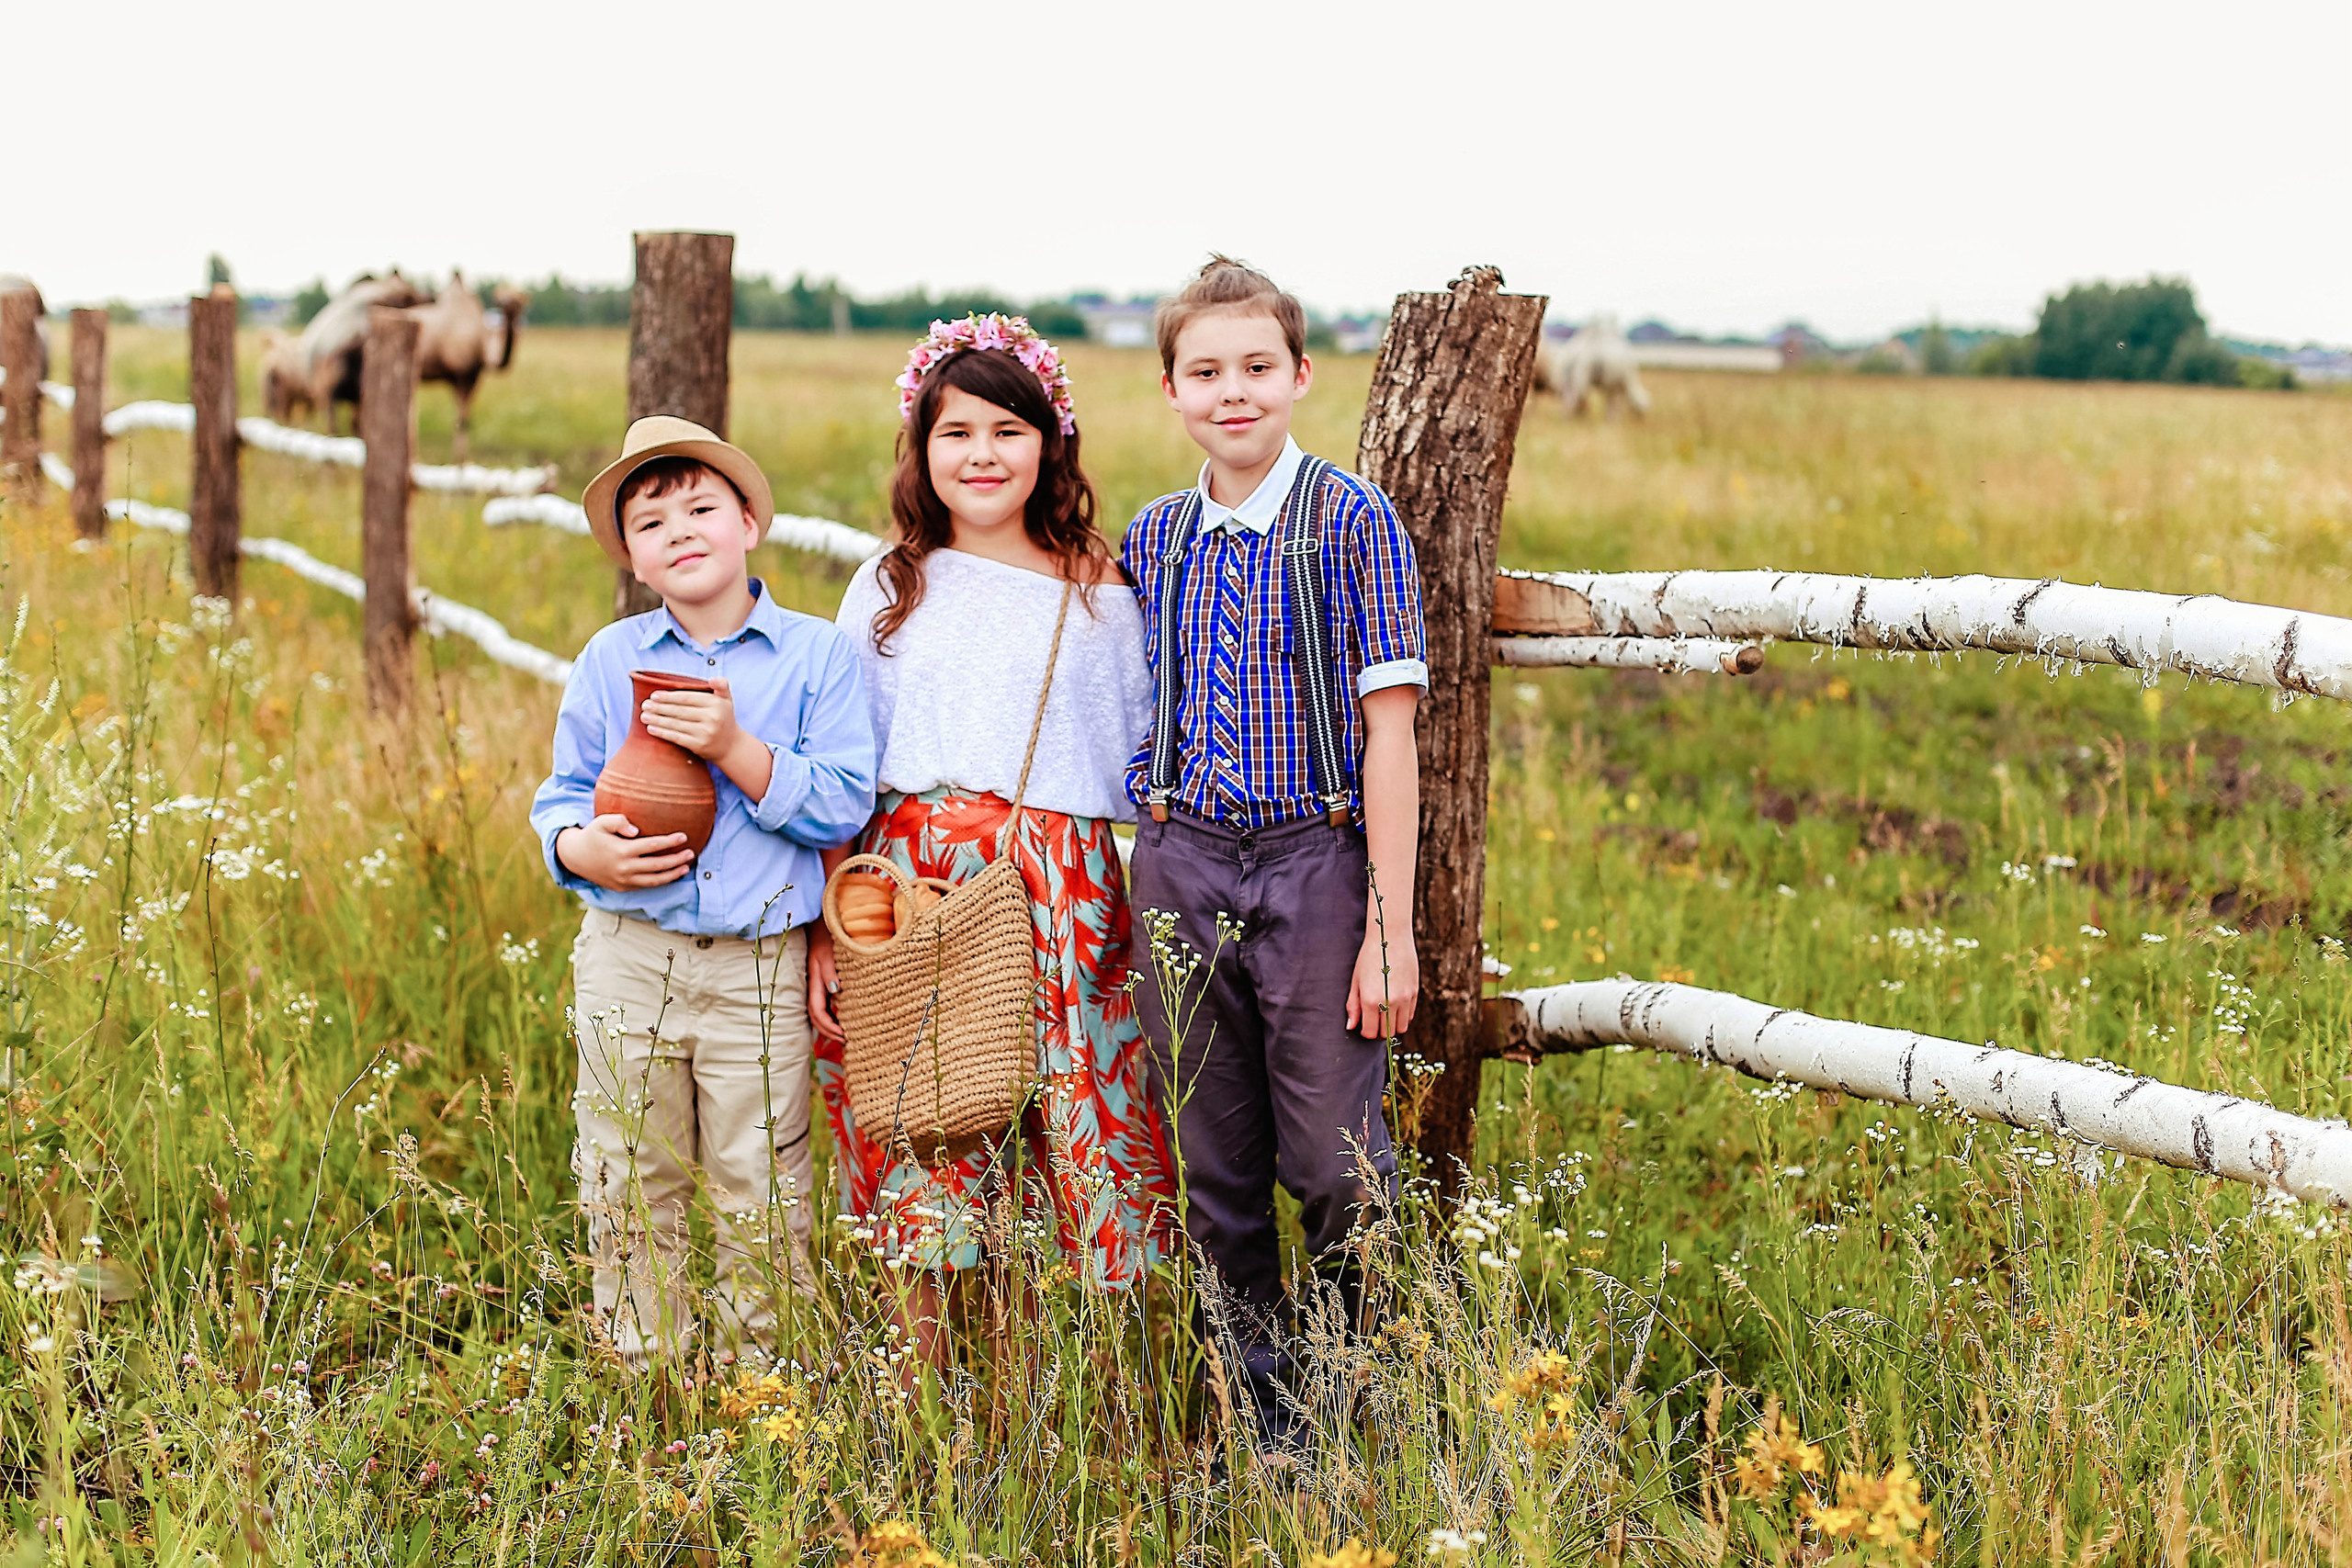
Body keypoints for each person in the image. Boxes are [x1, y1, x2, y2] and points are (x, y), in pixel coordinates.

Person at [810, 314, 1178, 1366]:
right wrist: (831, 928)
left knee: (1069, 1120)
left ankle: (1070, 1393)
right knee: (924, 1113)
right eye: (956, 433)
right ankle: (928, 1396)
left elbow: (1131, 752)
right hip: (909, 879)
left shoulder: (1099, 589)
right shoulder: (890, 585)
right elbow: (842, 767)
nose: (982, 455)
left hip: (1059, 889)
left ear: (1049, 443)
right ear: (921, 448)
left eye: (1007, 431)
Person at [1122, 258, 1428, 1460]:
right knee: (1215, 1163)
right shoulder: (1155, 537)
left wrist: (1388, 926)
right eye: (1205, 371)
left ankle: (1350, 1397)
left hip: (1315, 859)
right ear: (1170, 389)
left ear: (1300, 375)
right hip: (1182, 856)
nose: (1233, 391)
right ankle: (1263, 1427)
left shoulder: (1352, 521)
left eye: (1257, 366)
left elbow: (1390, 732)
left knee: (1336, 1165)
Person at [531, 416, 876, 1364]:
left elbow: (844, 798)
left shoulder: (815, 657)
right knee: (625, 1165)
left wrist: (735, 750)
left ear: (749, 523)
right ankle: (646, 1367)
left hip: (758, 964)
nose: (679, 531)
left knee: (758, 1174)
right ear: (631, 557)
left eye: (700, 509)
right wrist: (579, 848)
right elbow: (563, 791)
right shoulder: (611, 659)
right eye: (650, 523)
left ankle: (758, 1378)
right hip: (628, 953)